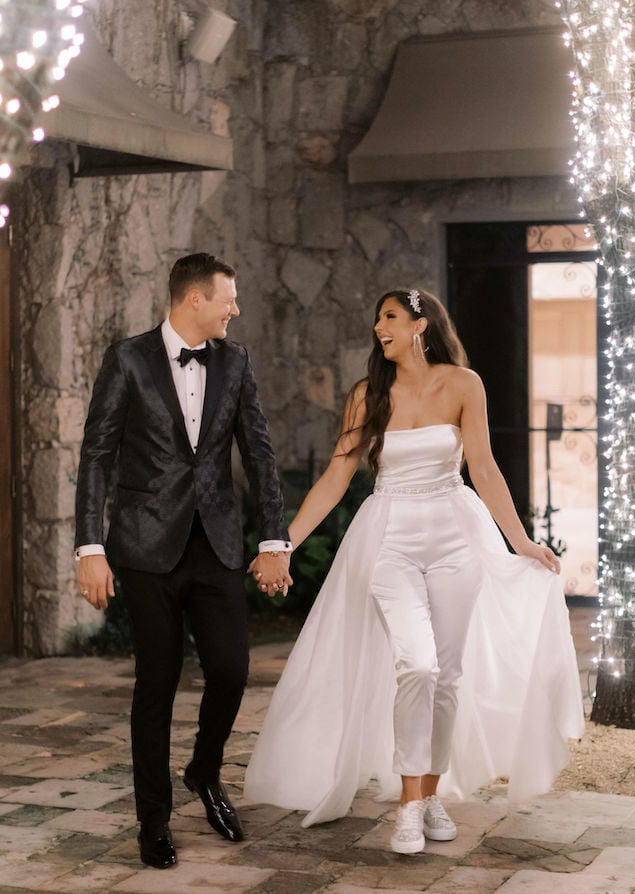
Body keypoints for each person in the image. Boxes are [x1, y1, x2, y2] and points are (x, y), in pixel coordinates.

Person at [244, 287, 584, 855]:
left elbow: (484, 467)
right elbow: (335, 478)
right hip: (390, 538)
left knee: (448, 675)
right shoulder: (367, 395)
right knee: (418, 666)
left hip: (457, 535)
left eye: (392, 317)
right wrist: (280, 544)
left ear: (421, 324)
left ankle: (429, 795)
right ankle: (406, 805)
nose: (380, 327)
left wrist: (522, 541)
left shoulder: (462, 385)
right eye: (377, 319)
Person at [75, 253, 293, 869]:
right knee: (157, 685)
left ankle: (204, 768)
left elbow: (260, 454)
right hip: (145, 548)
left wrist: (273, 537)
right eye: (228, 298)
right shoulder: (128, 359)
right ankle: (154, 820)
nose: (236, 309)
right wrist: (90, 547)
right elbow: (96, 456)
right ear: (193, 299)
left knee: (231, 669)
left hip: (216, 544)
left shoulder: (238, 361)